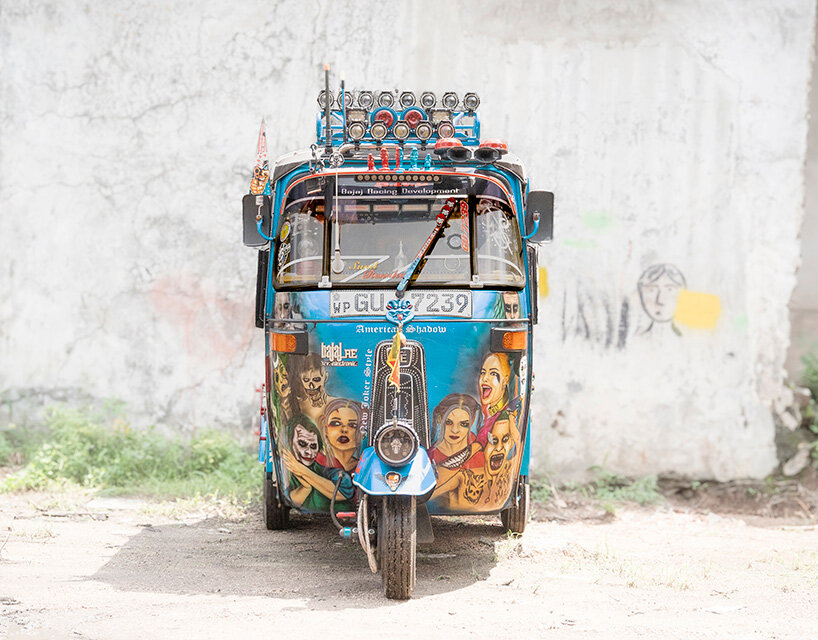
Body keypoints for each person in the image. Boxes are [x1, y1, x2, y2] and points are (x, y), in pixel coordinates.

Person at [279, 414, 353, 511]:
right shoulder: (286, 475)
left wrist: (303, 471)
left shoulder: (323, 468)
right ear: (289, 442)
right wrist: (306, 486)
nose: (309, 452)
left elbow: (345, 491)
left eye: (313, 446)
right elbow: (292, 500)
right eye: (302, 444)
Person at [428, 394, 486, 510]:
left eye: (463, 424)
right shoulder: (430, 455)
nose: (455, 430)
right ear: (440, 419)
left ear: (472, 421)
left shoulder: (479, 455)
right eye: (449, 422)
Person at [322, 398, 365, 473]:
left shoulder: (365, 467)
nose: (344, 429)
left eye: (352, 425)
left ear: (362, 433)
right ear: (326, 430)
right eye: (336, 423)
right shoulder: (317, 462)